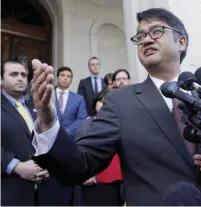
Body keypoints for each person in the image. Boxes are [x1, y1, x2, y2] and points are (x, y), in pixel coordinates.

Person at [31, 8, 201, 205]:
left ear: (181, 41)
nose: (146, 39)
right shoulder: (120, 102)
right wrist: (48, 121)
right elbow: (79, 165)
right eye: (140, 36)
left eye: (156, 32)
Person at [1, 60, 70, 206]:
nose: (20, 78)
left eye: (24, 75)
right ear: (1, 79)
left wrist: (49, 165)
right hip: (10, 190)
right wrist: (15, 166)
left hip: (46, 192)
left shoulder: (38, 106)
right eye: (14, 74)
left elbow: (52, 140)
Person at [74, 90, 123, 206]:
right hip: (90, 179)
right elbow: (78, 150)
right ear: (95, 103)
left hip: (114, 181)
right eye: (101, 101)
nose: (104, 104)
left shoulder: (121, 123)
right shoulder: (84, 124)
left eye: (108, 102)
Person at [55, 66, 87, 137]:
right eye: (62, 75)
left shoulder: (79, 99)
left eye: (68, 76)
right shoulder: (48, 95)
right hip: (49, 137)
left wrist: (68, 131)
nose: (65, 78)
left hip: (71, 137)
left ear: (71, 80)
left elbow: (82, 119)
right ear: (57, 77)